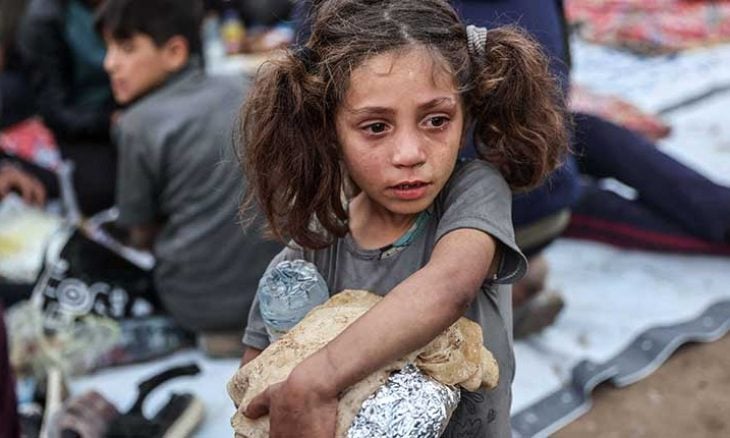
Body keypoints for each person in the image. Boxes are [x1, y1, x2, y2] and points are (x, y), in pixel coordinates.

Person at [237, 0, 568, 436]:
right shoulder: (313, 249)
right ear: (328, 130)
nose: (410, 154)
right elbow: (255, 381)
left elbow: (448, 288)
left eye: (436, 120)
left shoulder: (472, 192)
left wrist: (318, 377)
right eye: (376, 127)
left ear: (465, 117)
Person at [94, 0, 282, 356]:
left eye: (126, 48)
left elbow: (139, 232)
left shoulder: (136, 125)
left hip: (198, 305)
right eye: (108, 48)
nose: (110, 63)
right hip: (278, 290)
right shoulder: (242, 86)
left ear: (175, 52)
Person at [17, 0, 117, 215]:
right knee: (101, 190)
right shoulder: (45, 20)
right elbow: (55, 110)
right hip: (85, 121)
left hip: (129, 102)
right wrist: (107, 120)